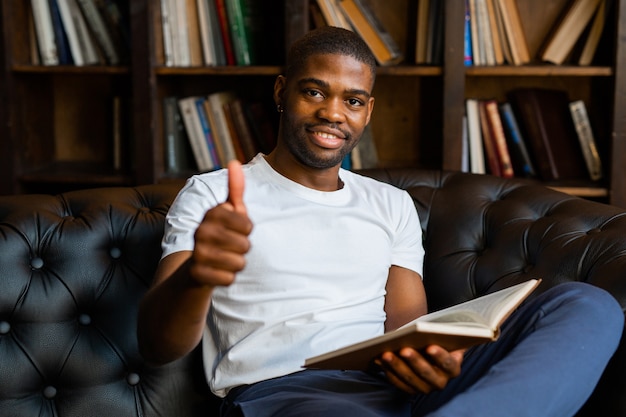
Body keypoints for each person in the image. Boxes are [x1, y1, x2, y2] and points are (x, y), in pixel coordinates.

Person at [137, 26, 623, 417]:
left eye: (351, 100)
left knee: (586, 306)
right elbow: (158, 346)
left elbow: (406, 327)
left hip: (395, 388)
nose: (332, 113)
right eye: (314, 92)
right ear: (282, 92)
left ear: (367, 112)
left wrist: (426, 360)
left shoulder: (391, 204)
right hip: (286, 396)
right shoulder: (213, 193)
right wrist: (200, 274)